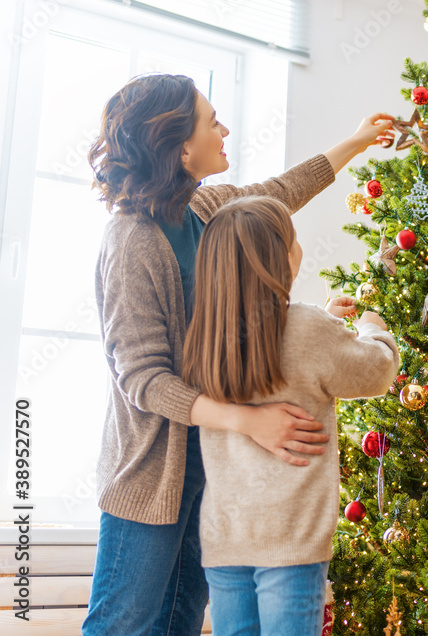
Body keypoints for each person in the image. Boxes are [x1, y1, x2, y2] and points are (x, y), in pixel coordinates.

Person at [84, 73, 395, 635]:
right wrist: (249, 420)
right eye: (211, 121)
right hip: (152, 470)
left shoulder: (207, 208)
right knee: (123, 625)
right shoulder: (130, 239)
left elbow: (281, 192)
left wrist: (355, 141)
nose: (224, 129)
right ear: (181, 147)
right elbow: (143, 378)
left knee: (180, 620)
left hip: (215, 463)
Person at [181, 195, 399, 634]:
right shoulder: (304, 329)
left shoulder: (205, 336)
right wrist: (373, 327)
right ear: (280, 258)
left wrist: (322, 322)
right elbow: (376, 372)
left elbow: (278, 352)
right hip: (291, 538)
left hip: (226, 537)